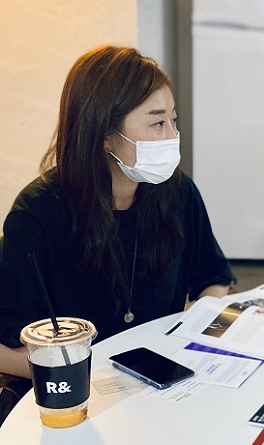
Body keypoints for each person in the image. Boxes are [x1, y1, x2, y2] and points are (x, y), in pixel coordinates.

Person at [0, 46, 234, 379]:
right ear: (104, 136)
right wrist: (94, 373)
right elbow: (5, 348)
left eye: (173, 120)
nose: (172, 137)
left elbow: (215, 280)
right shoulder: (38, 213)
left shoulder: (178, 192)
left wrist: (186, 340)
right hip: (76, 390)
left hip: (162, 379)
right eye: (157, 123)